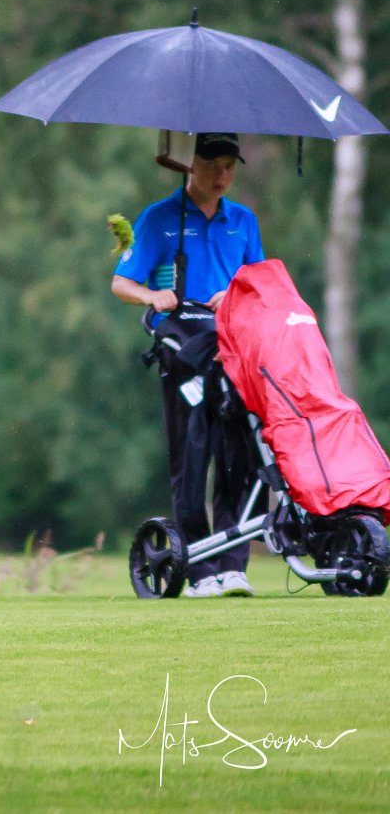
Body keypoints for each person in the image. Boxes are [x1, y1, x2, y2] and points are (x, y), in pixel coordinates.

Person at [112, 132, 264, 598]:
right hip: (182, 346)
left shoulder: (244, 221)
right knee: (191, 456)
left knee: (239, 453)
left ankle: (233, 566)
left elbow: (261, 283)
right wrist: (152, 295)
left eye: (229, 165)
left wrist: (234, 294)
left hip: (233, 346)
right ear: (189, 164)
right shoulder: (159, 218)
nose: (222, 175)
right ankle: (198, 568)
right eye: (213, 164)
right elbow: (121, 282)